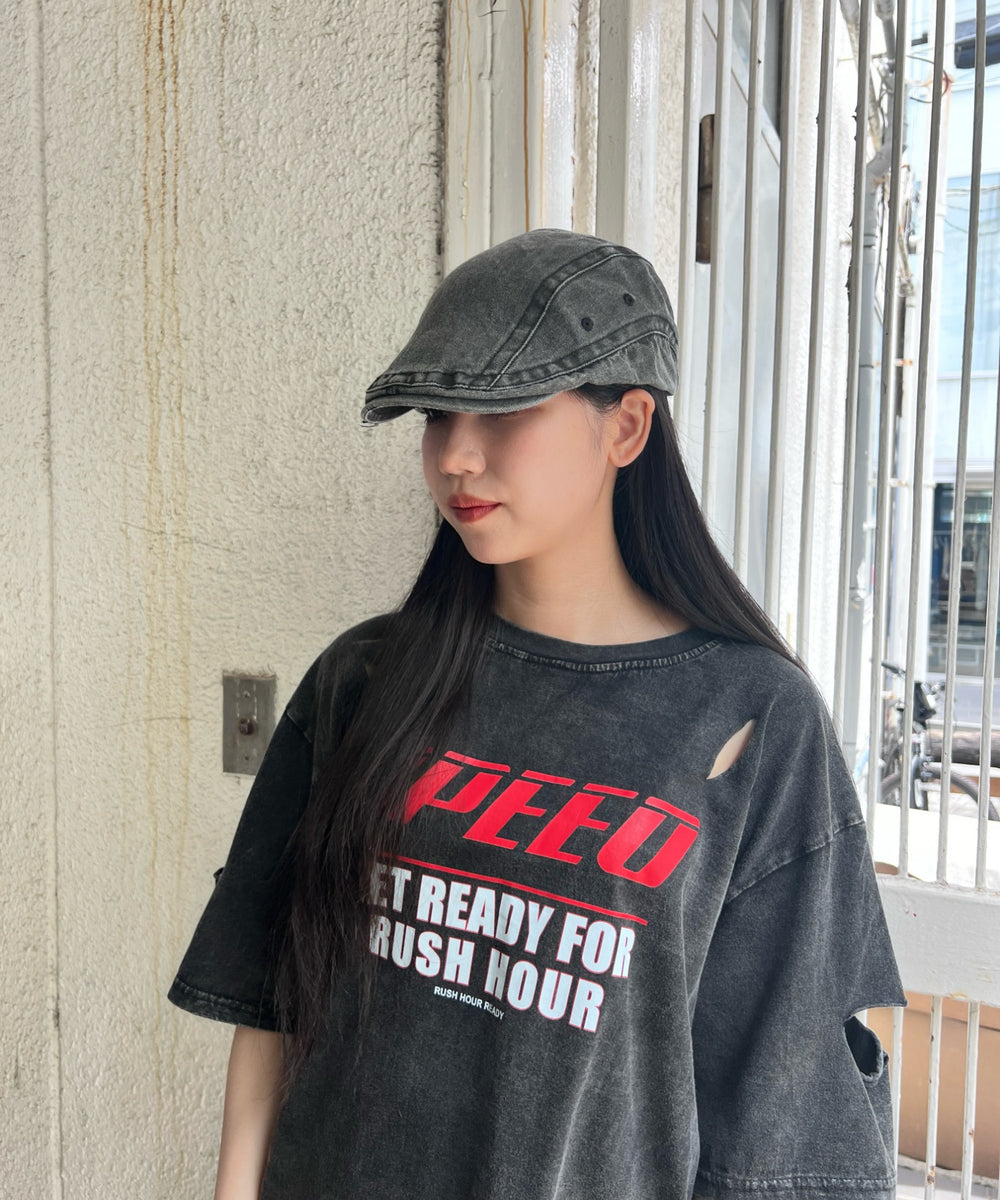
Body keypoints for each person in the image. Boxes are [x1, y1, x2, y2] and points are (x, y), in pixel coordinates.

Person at [168, 228, 906, 1200]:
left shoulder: (753, 721)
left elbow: (780, 1113)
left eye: (505, 410)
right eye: (438, 414)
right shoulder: (363, 680)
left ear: (626, 428)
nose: (456, 455)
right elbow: (273, 992)